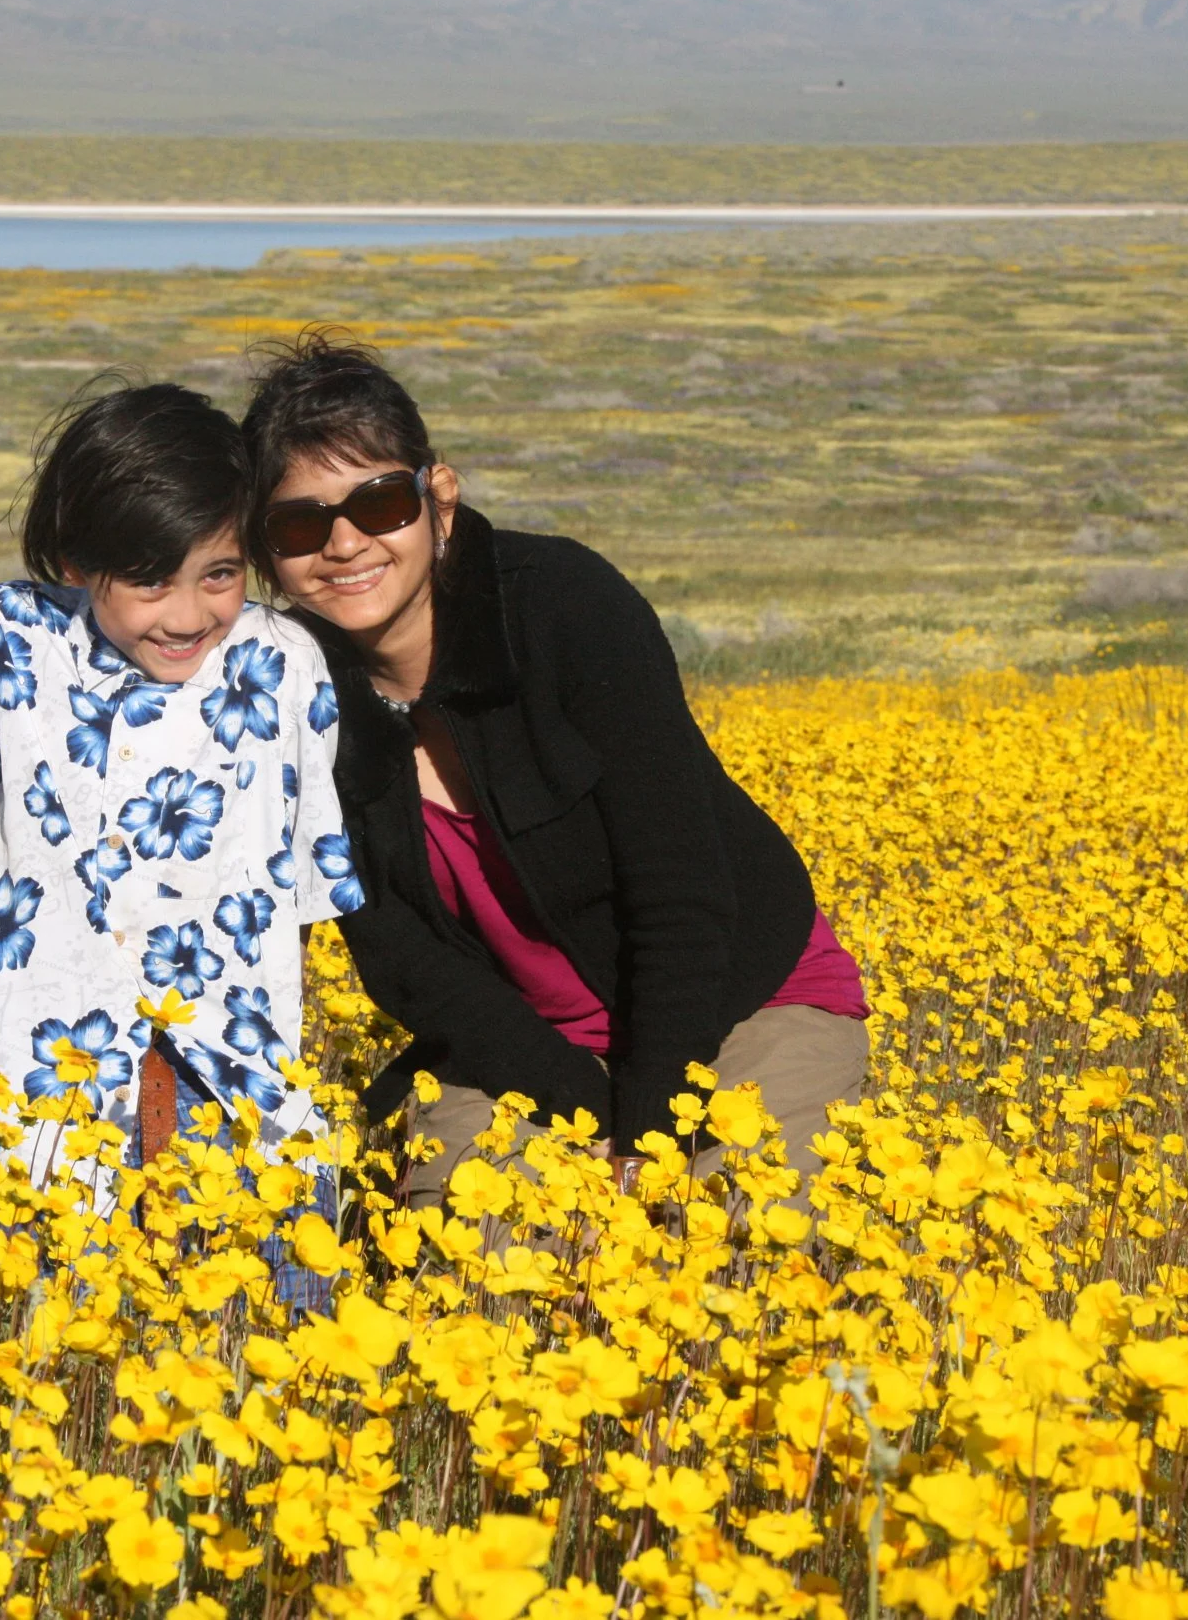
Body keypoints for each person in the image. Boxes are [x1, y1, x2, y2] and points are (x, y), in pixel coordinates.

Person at [238, 334, 869, 1206]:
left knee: (743, 1247)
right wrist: (590, 1117)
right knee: (478, 1263)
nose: (344, 544)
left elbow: (681, 888)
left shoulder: (559, 606)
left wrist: (645, 1132)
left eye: (379, 503)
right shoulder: (287, 692)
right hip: (530, 1047)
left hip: (739, 998)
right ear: (266, 550)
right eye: (301, 523)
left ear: (439, 498)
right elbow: (404, 963)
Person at [0, 379, 363, 1249]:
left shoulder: (283, 662)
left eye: (218, 574)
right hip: (37, 1081)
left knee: (249, 1338)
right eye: (148, 580)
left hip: (230, 1076)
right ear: (76, 562)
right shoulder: (2, 640)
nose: (189, 614)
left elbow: (298, 886)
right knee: (32, 1346)